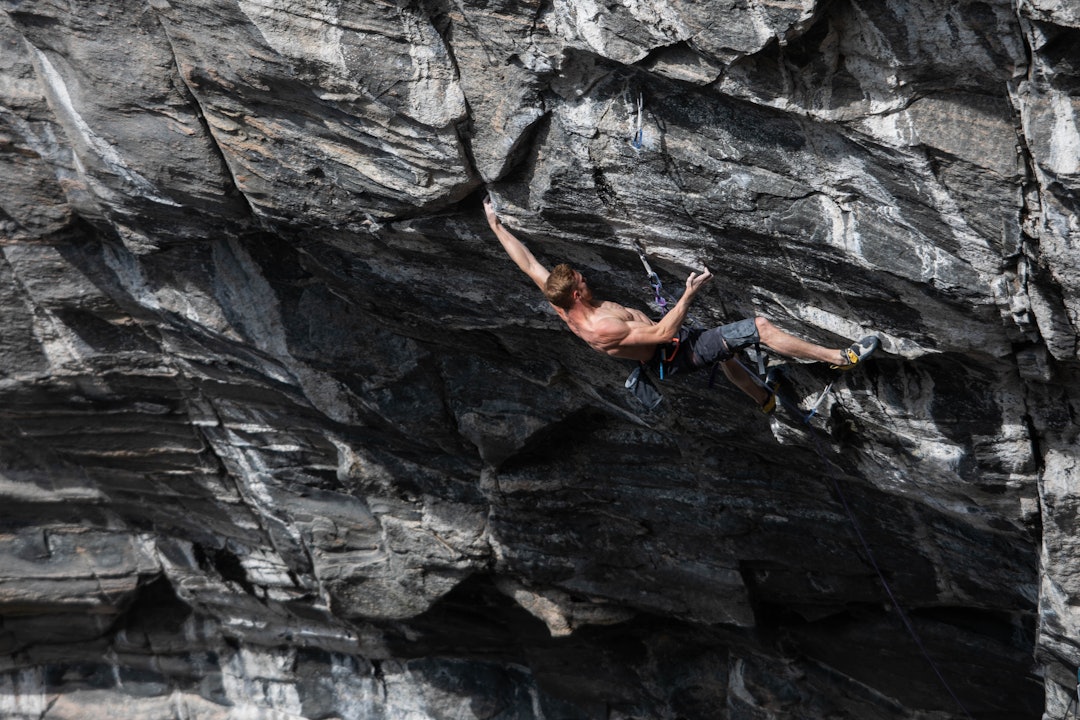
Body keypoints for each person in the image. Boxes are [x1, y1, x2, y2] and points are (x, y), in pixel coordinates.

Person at [483, 197, 879, 412]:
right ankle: (841, 357)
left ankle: (765, 400)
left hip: (670, 349)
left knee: (727, 355)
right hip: (676, 354)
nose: (588, 279)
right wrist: (690, 293)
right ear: (575, 294)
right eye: (583, 281)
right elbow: (662, 332)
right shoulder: (600, 327)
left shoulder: (561, 304)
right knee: (758, 328)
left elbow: (530, 265)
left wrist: (497, 226)